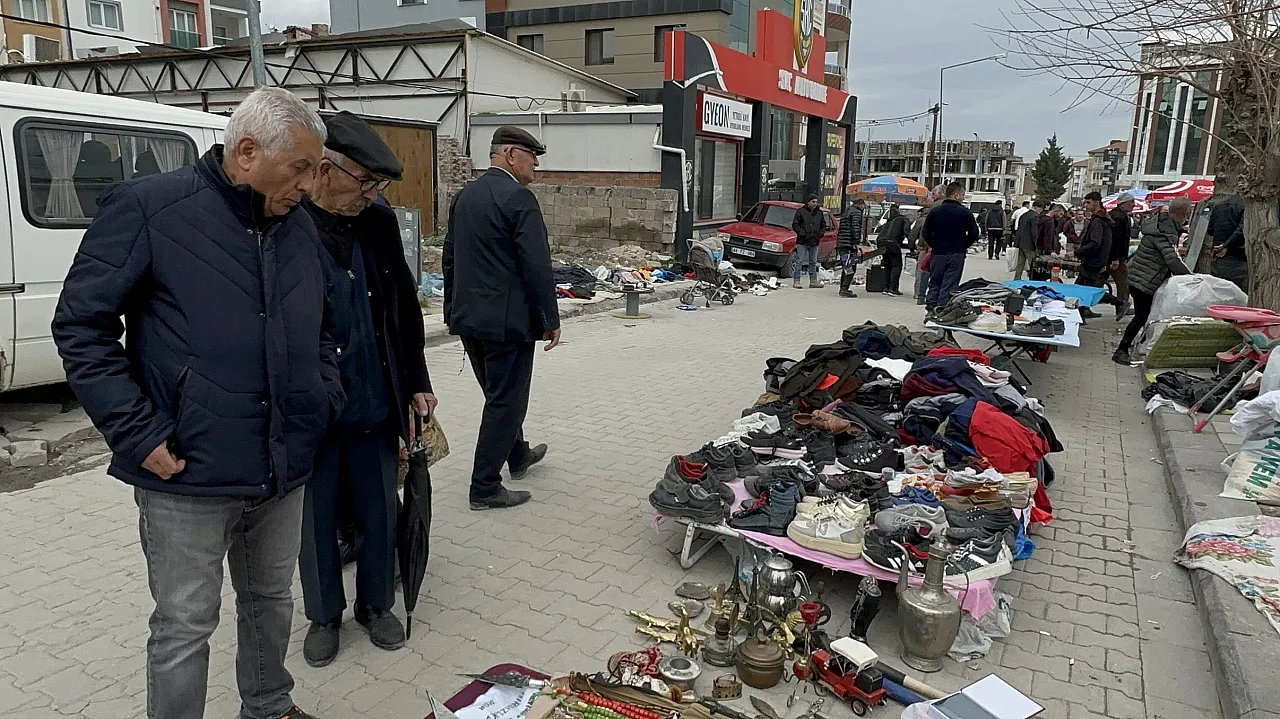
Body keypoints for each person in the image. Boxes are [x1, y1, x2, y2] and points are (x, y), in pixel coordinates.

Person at [51, 88, 339, 719]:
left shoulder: (298, 227)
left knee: (270, 599)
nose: (310, 183)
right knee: (185, 623)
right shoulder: (151, 208)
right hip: (184, 468)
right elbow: (80, 326)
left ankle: (268, 707)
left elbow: (322, 325)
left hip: (281, 461)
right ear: (246, 151)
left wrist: (320, 398)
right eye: (300, 167)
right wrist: (137, 434)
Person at [297, 112, 434, 667]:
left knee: (380, 507)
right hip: (313, 408)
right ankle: (323, 615)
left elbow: (403, 308)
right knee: (315, 517)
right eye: (365, 182)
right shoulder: (289, 221)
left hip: (376, 397)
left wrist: (417, 383)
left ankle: (376, 605)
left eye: (378, 186)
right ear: (326, 170)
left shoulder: (376, 224)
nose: (373, 195)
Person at [444, 126, 559, 511]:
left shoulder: (464, 196)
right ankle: (484, 486)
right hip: (508, 325)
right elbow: (537, 266)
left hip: (470, 321)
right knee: (506, 402)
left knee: (498, 396)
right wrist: (549, 318)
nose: (537, 165)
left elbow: (450, 260)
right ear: (510, 155)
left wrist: (451, 311)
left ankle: (519, 455)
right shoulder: (519, 199)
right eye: (532, 156)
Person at [1112, 197, 1193, 365]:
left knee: (1148, 315)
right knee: (1142, 317)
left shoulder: (1161, 224)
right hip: (1145, 280)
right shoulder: (1164, 231)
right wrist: (1191, 278)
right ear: (1184, 213)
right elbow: (1171, 259)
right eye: (1187, 214)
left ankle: (1139, 345)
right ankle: (1122, 349)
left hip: (1142, 276)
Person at [922, 181, 980, 313]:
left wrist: (934, 244)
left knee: (935, 281)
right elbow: (974, 234)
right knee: (949, 284)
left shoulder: (935, 212)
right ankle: (941, 311)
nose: (964, 197)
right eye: (963, 195)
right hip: (956, 253)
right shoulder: (965, 213)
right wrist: (963, 245)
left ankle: (930, 309)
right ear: (957, 195)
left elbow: (925, 232)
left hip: (938, 253)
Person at [1076, 191, 1127, 318]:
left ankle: (1120, 303)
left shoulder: (1099, 221)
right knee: (1081, 288)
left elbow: (1095, 243)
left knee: (1088, 289)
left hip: (1093, 260)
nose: (1085, 206)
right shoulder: (1103, 219)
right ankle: (1081, 314)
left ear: (1097, 202)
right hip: (1097, 260)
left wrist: (1077, 252)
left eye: (1088, 202)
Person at [1103, 192, 1135, 316]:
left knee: (1098, 282)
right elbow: (1116, 239)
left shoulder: (1117, 215)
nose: (1133, 205)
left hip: (1110, 256)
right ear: (1122, 204)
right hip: (1115, 258)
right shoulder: (1119, 217)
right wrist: (1116, 258)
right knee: (1123, 283)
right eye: (1131, 202)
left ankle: (1084, 307)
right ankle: (1122, 305)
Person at [1209, 193, 1248, 293]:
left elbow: (1210, 230)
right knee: (1238, 295)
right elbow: (1242, 230)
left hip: (1218, 257)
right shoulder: (1246, 206)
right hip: (1239, 258)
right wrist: (1226, 245)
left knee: (1219, 292)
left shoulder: (1219, 205)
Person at [791, 194, 829, 288]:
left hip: (814, 241)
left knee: (813, 261)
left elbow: (824, 225)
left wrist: (820, 234)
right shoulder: (801, 211)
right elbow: (795, 224)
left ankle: (813, 281)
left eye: (816, 201)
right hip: (802, 241)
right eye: (813, 201)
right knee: (799, 261)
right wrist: (801, 232)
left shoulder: (819, 213)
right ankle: (797, 280)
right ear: (808, 202)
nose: (815, 203)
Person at [876, 203, 909, 296]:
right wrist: (912, 246)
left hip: (881, 241)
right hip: (892, 242)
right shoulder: (903, 219)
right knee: (896, 265)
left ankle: (886, 287)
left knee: (887, 265)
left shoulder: (889, 220)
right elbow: (907, 233)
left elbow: (879, 229)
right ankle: (893, 289)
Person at [836, 197, 865, 298]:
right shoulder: (856, 212)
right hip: (849, 244)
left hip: (843, 243)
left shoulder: (847, 211)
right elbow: (855, 227)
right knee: (851, 266)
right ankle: (844, 288)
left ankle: (843, 287)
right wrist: (857, 242)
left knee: (847, 265)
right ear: (862, 204)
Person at [1011, 200, 1044, 281]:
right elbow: (1034, 231)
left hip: (1020, 243)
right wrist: (1035, 243)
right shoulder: (1035, 216)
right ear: (1036, 207)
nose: (1041, 211)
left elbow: (1019, 229)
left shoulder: (1024, 215)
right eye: (1040, 209)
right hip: (1029, 244)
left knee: (1020, 263)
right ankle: (1033, 279)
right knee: (1032, 264)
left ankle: (1017, 279)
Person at [909, 204, 932, 304]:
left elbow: (913, 235)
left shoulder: (921, 220)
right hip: (939, 248)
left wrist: (912, 247)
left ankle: (918, 293)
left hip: (925, 247)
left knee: (921, 269)